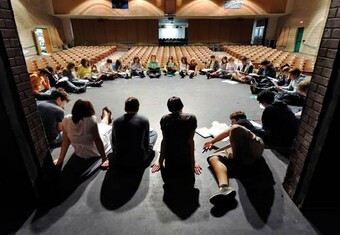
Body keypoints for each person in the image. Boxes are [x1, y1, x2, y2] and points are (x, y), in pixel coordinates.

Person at [203, 111, 264, 205]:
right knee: (213, 157)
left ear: (235, 119)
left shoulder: (242, 122)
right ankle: (224, 188)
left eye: (231, 122)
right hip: (246, 151)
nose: (230, 124)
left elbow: (227, 131)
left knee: (235, 129)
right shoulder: (240, 129)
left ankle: (236, 162)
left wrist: (212, 141)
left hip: (254, 145)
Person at [151, 96, 202, 186]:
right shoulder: (191, 118)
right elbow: (191, 141)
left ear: (169, 108)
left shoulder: (165, 119)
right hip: (185, 158)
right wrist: (193, 162)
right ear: (181, 105)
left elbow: (165, 140)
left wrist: (160, 160)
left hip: (170, 159)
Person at [54, 99, 111, 169]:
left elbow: (65, 140)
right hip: (94, 151)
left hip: (79, 152)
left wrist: (60, 158)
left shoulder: (66, 119)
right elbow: (97, 140)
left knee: (102, 126)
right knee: (102, 126)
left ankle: (106, 115)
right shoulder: (91, 120)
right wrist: (104, 158)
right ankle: (106, 114)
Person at [110, 97, 158, 168]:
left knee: (111, 134)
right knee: (154, 133)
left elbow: (114, 141)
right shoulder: (144, 120)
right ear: (137, 108)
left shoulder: (116, 121)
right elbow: (146, 141)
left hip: (119, 159)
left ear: (125, 108)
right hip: (139, 160)